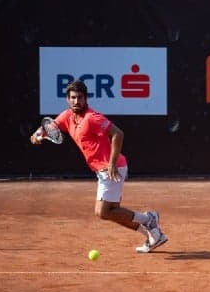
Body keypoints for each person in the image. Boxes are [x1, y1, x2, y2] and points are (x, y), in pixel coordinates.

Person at [30, 80, 168, 253]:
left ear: (85, 98)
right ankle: (153, 234)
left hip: (112, 167)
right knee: (113, 212)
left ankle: (149, 219)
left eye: (80, 97)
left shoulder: (92, 118)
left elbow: (118, 133)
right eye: (73, 98)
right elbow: (50, 127)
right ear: (67, 99)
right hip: (101, 170)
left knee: (103, 212)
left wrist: (111, 163)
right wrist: (37, 135)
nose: (76, 101)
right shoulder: (66, 116)